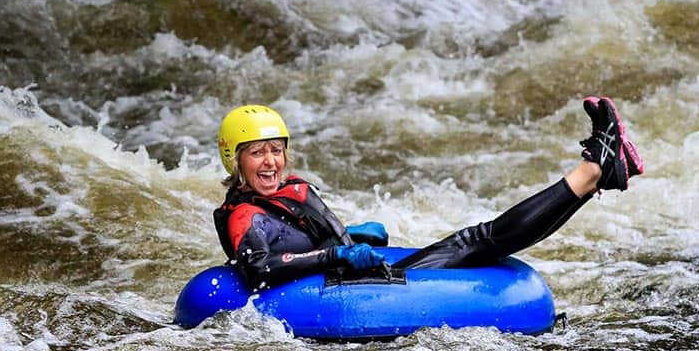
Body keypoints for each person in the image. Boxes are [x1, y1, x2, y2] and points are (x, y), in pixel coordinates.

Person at [213, 98, 644, 290]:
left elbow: (301, 237)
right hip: (355, 288)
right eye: (256, 154)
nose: (269, 162)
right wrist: (334, 255)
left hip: (360, 277)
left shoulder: (286, 191)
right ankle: (596, 168)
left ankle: (599, 171)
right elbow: (260, 268)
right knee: (482, 239)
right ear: (236, 160)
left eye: (275, 150)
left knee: (481, 240)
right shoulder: (243, 216)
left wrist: (347, 236)